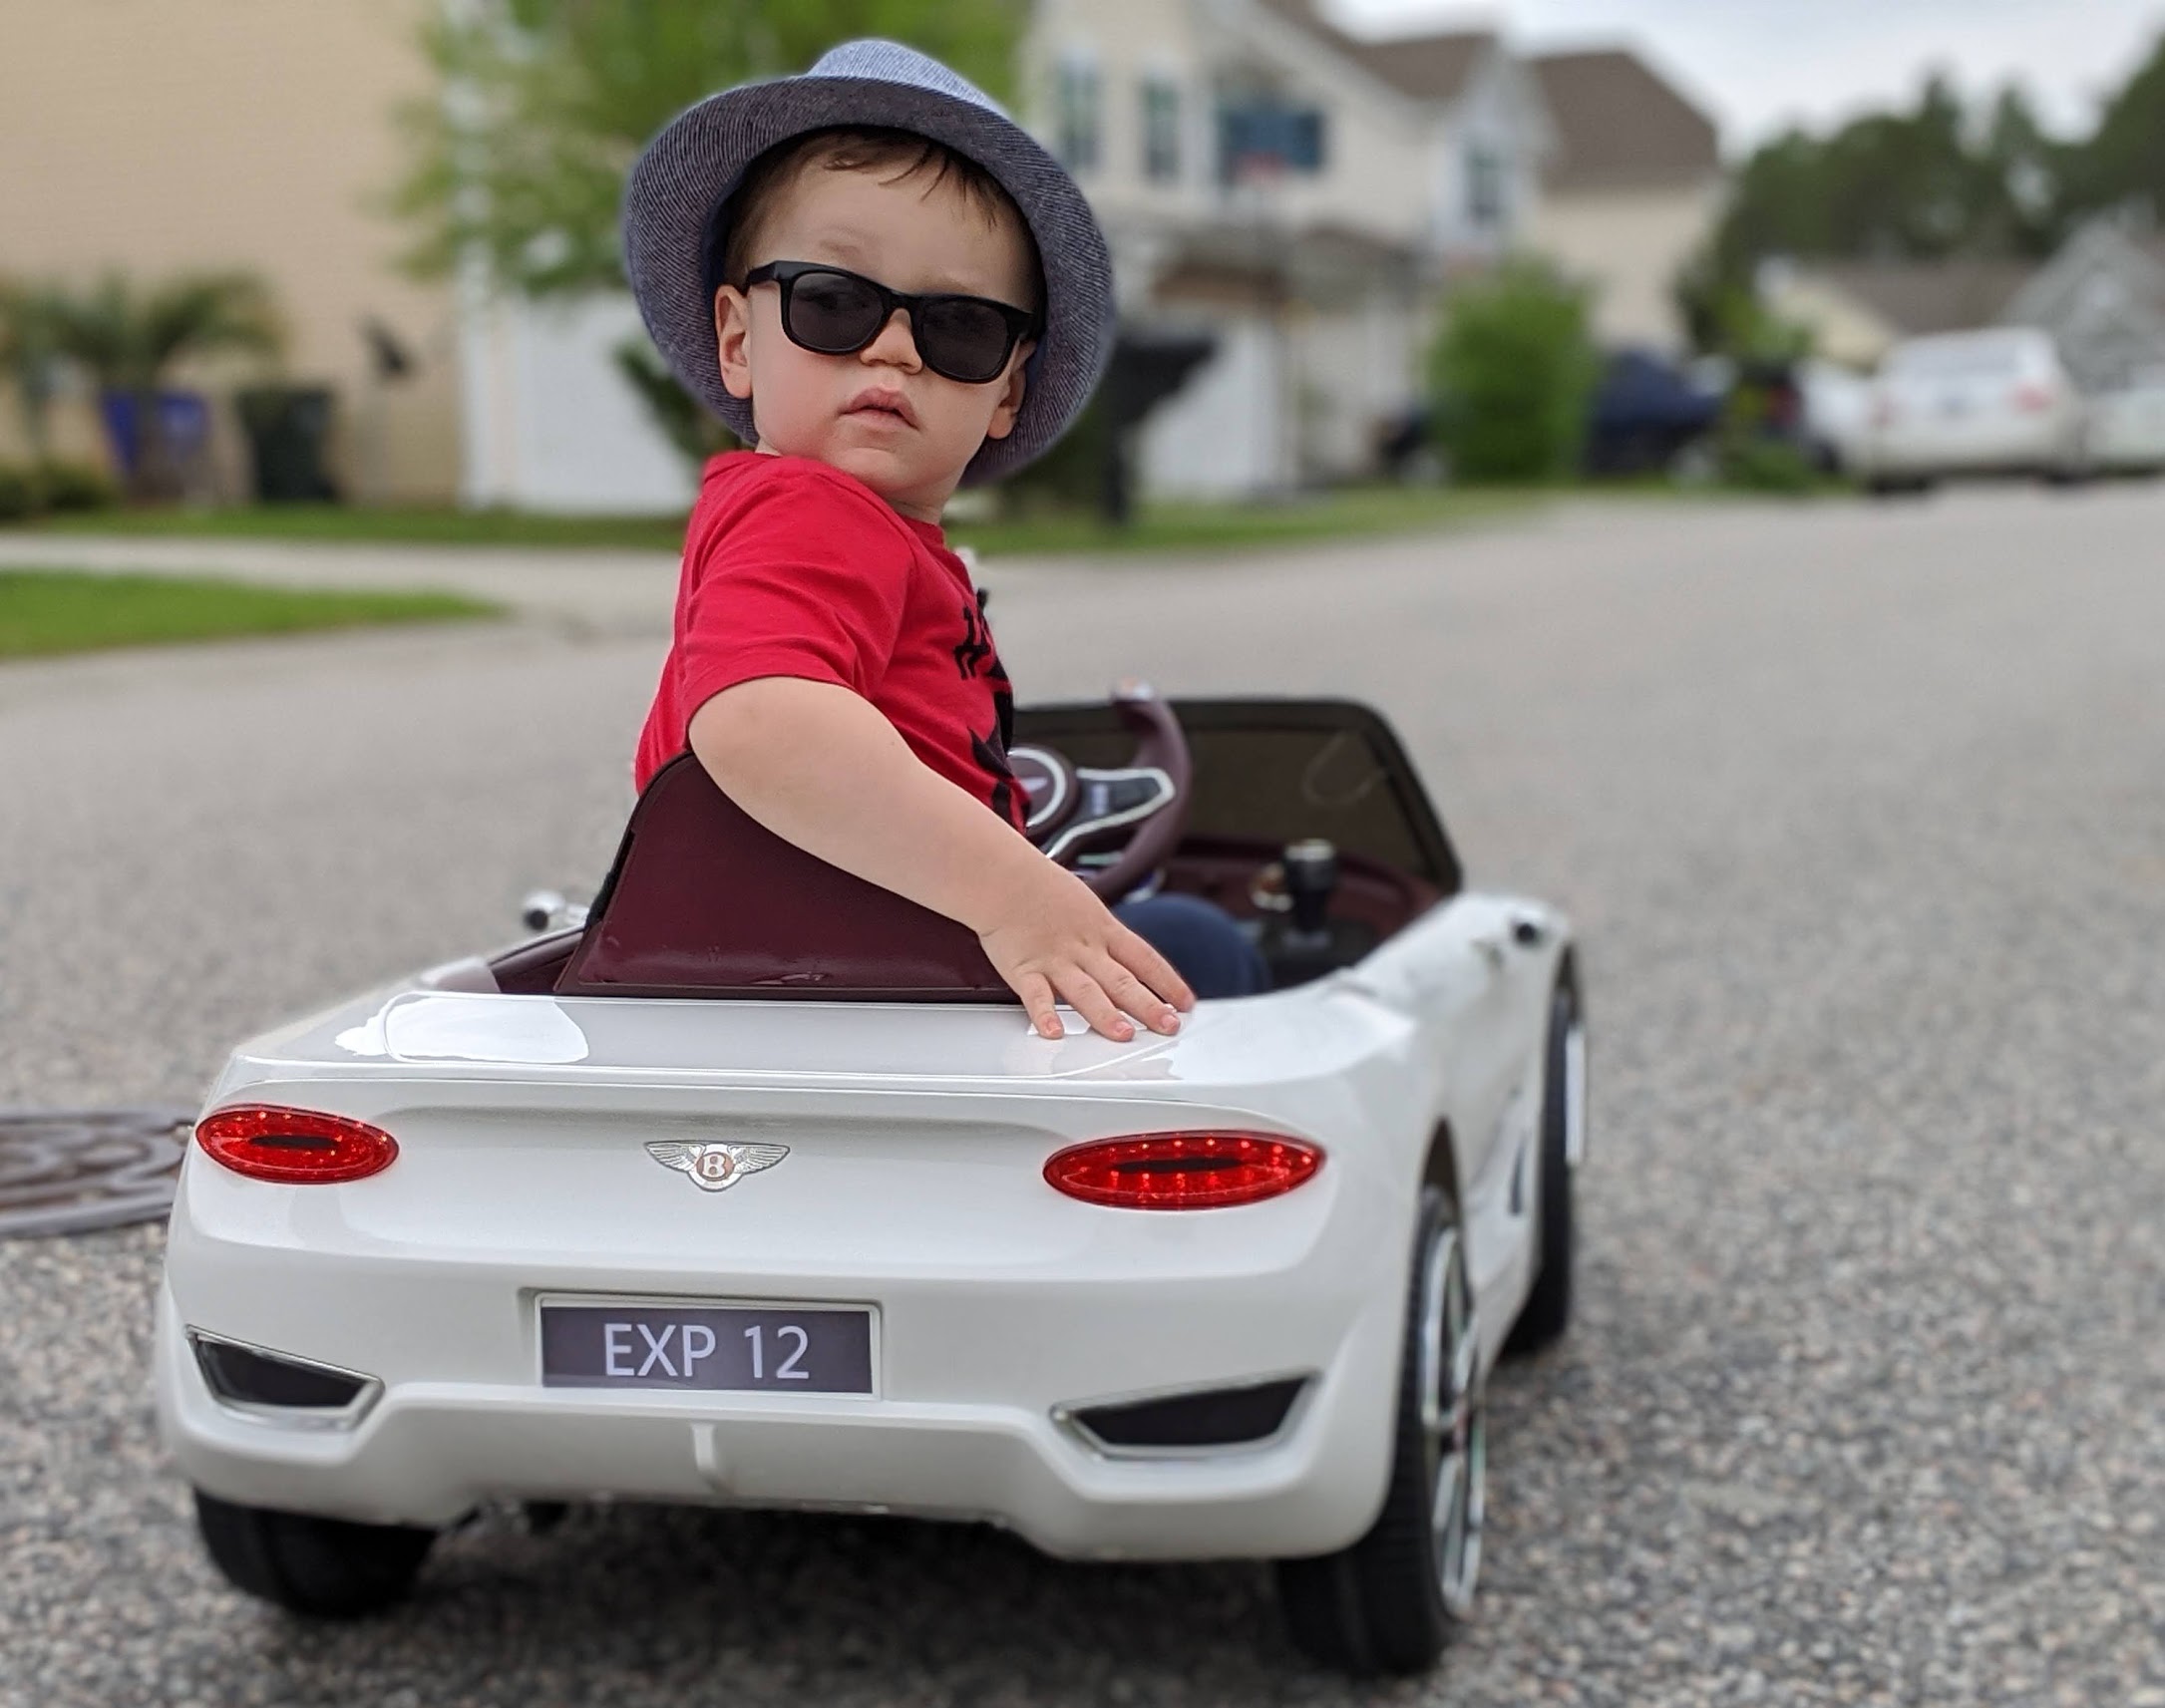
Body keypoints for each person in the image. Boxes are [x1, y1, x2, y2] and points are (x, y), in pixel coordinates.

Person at [621, 40, 1266, 1043]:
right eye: (833, 303)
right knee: (1199, 944)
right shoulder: (809, 512)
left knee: (1146, 927)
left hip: (826, 964)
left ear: (1004, 389)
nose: (893, 348)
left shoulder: (853, 531)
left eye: (958, 328)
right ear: (739, 339)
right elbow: (759, 722)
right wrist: (1017, 896)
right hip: (866, 983)